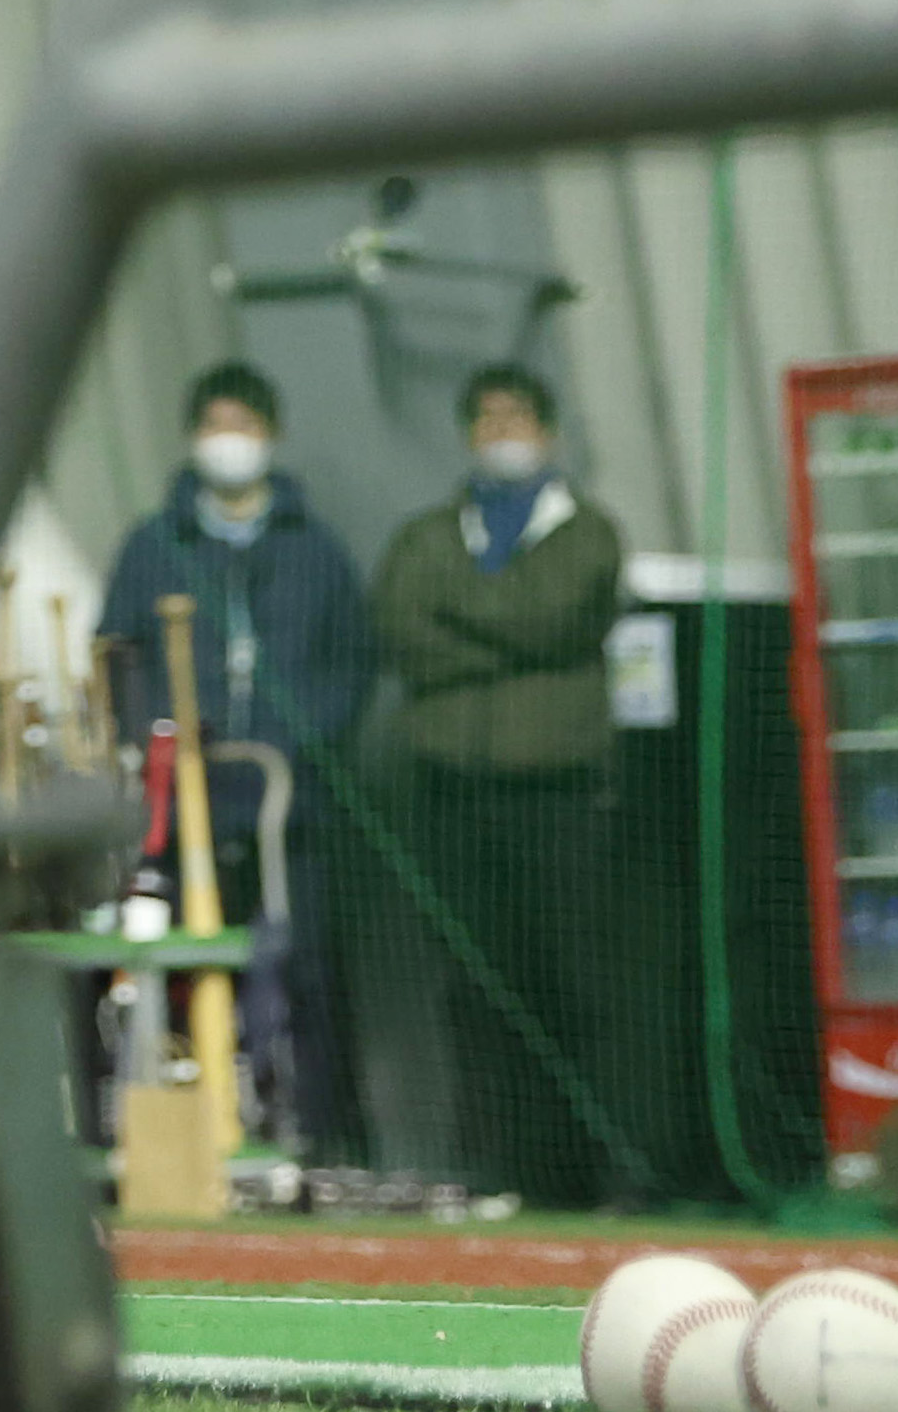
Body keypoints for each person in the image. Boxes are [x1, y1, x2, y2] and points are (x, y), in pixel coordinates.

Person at [96, 362, 375, 1162]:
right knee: (180, 974)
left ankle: (322, 1139)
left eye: (243, 426)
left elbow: (353, 660)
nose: (229, 442)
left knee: (308, 972)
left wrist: (306, 742)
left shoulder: (314, 548)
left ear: (271, 436)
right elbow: (117, 655)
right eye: (215, 425)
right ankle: (187, 1139)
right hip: (182, 807)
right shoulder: (152, 546)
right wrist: (154, 741)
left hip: (293, 808)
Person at [374, 359, 628, 1211]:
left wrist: (470, 613)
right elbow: (406, 634)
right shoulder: (424, 537)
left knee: (568, 984)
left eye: (515, 418)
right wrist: (505, 629)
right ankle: (494, 1169)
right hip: (450, 794)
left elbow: (554, 616)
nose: (500, 433)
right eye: (484, 420)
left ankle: (578, 1177)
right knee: (472, 988)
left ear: (548, 432)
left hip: (553, 798)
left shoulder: (587, 531)